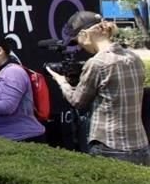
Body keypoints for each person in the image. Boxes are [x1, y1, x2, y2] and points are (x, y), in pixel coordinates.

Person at [48, 11, 149, 165]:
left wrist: (61, 81)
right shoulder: (133, 57)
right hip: (141, 145)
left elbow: (77, 101)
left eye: (77, 41)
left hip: (109, 146)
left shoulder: (97, 63)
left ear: (84, 34)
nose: (80, 46)